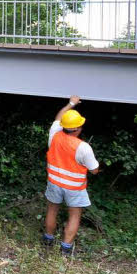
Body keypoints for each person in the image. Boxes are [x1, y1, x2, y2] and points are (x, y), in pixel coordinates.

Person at [42, 95, 101, 256]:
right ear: (77, 129)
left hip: (54, 182)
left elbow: (59, 117)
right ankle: (66, 249)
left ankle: (48, 240)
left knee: (52, 209)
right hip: (74, 187)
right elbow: (94, 170)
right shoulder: (83, 147)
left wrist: (71, 104)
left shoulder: (54, 133)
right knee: (74, 215)